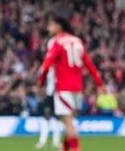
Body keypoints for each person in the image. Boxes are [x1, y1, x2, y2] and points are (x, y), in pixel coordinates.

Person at [38, 8, 106, 151]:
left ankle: (76, 149)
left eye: (51, 25)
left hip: (63, 87)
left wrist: (41, 82)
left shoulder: (57, 42)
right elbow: (89, 64)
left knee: (68, 123)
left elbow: (46, 65)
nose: (48, 28)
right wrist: (99, 83)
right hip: (77, 88)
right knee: (67, 122)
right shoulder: (77, 41)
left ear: (59, 26)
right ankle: (64, 148)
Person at [35, 69, 61, 149]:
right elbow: (42, 81)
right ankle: (42, 141)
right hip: (49, 96)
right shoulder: (48, 69)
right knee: (46, 117)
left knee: (57, 118)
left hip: (59, 95)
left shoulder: (61, 68)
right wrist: (42, 92)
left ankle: (56, 141)